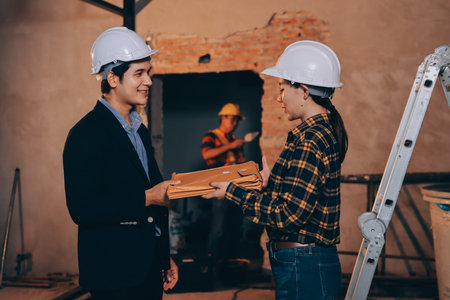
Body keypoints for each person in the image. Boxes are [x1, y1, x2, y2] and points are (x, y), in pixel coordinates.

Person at [203, 40, 348, 300]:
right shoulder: (318, 133)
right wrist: (272, 182)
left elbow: (289, 214)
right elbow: (300, 197)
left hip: (304, 263)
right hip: (303, 260)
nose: (279, 97)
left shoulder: (310, 140)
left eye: (282, 89)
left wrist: (232, 191)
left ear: (303, 91)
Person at [63, 27, 179, 300]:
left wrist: (164, 257)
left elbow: (155, 200)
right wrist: (147, 197)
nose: (148, 81)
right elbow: (83, 209)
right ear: (112, 78)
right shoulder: (86, 133)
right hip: (113, 275)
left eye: (148, 72)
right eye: (139, 73)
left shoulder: (139, 129)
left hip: (148, 269)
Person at [201, 104, 264, 267]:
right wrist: (231, 147)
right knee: (218, 229)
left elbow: (239, 164)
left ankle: (229, 263)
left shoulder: (235, 140)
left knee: (235, 227)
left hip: (236, 188)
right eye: (232, 119)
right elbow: (207, 154)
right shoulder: (211, 136)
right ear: (223, 117)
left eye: (237, 120)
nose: (235, 123)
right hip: (219, 188)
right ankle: (211, 266)